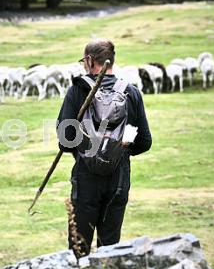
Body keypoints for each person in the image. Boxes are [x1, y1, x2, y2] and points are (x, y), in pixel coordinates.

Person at [56, 39, 152, 255]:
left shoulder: (77, 90)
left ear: (90, 61)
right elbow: (145, 142)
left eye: (83, 60)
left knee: (79, 248)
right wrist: (117, 153)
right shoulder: (131, 93)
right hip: (118, 177)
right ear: (111, 61)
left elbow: (65, 139)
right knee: (110, 248)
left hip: (86, 177)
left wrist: (89, 153)